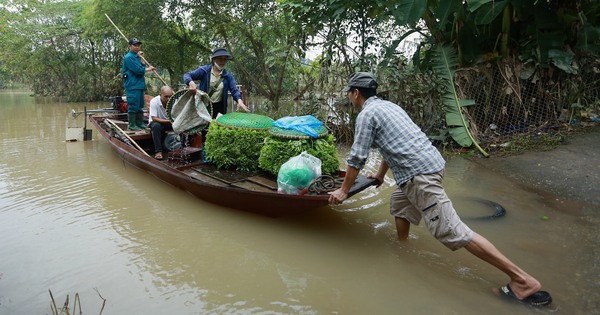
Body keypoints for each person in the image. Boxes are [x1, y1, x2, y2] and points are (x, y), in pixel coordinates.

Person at [328, 72, 552, 307]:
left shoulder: (366, 115)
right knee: (399, 201)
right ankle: (403, 246)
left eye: (349, 94)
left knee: (454, 231)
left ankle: (522, 280)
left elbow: (356, 158)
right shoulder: (389, 107)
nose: (350, 99)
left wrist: (343, 191)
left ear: (355, 93)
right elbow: (391, 144)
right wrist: (381, 175)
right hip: (430, 166)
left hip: (420, 177)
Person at [183, 47, 249, 119]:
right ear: (214, 59)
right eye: (220, 58)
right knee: (204, 128)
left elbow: (234, 90)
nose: (223, 61)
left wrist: (240, 101)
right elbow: (187, 75)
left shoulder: (227, 76)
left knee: (217, 127)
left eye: (225, 59)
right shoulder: (205, 71)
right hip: (204, 106)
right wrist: (191, 82)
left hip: (219, 107)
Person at [122, 37, 155, 131]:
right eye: (134, 45)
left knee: (140, 105)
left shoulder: (137, 57)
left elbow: (142, 66)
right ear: (129, 46)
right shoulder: (128, 57)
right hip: (132, 86)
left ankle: (140, 123)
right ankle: (132, 125)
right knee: (133, 105)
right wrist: (149, 69)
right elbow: (138, 70)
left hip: (139, 85)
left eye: (138, 45)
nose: (137, 47)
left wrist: (142, 59)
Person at [148, 86, 175, 160]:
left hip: (169, 122)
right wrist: (170, 121)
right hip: (156, 122)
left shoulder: (174, 101)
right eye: (166, 97)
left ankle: (183, 148)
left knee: (182, 125)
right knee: (156, 126)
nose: (168, 99)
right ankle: (158, 151)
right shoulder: (154, 101)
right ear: (160, 95)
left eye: (170, 96)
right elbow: (154, 118)